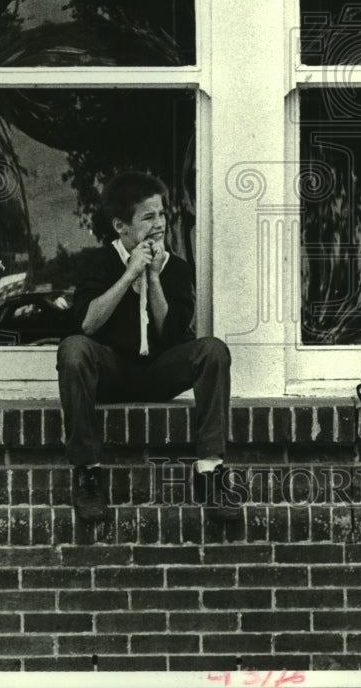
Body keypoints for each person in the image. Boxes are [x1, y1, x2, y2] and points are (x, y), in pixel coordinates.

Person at [56, 170, 236, 522]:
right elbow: (86, 324)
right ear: (121, 227)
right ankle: (88, 473)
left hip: (159, 372)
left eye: (163, 214)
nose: (160, 224)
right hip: (110, 373)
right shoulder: (98, 263)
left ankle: (210, 471)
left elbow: (172, 336)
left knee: (213, 350)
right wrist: (128, 275)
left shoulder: (178, 269)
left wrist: (153, 276)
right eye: (148, 217)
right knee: (73, 348)